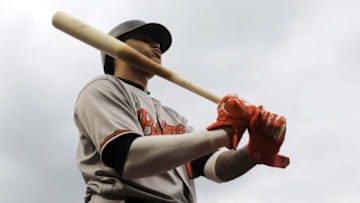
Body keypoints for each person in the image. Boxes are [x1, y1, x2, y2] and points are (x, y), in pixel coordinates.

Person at [74, 19, 289, 203]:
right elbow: (127, 158)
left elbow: (212, 167)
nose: (157, 46)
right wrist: (225, 132)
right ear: (114, 47)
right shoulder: (103, 88)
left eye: (157, 43)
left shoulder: (173, 117)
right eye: (145, 39)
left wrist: (254, 152)